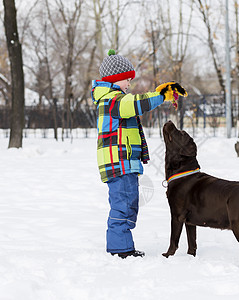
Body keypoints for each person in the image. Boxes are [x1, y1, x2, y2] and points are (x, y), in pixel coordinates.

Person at [91, 49, 187, 258]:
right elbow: (137, 103)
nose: (129, 84)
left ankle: (121, 245)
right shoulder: (112, 101)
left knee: (127, 205)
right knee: (124, 207)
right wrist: (160, 95)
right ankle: (121, 250)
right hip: (120, 164)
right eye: (126, 79)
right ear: (115, 80)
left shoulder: (113, 100)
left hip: (122, 164)